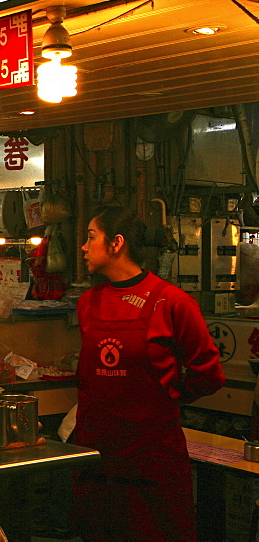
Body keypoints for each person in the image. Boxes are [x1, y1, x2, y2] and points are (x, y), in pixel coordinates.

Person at [72, 206, 225, 541]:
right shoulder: (88, 302)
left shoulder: (171, 302)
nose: (83, 246)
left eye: (91, 237)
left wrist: (168, 397)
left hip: (150, 461)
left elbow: (208, 374)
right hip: (97, 460)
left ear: (116, 243)